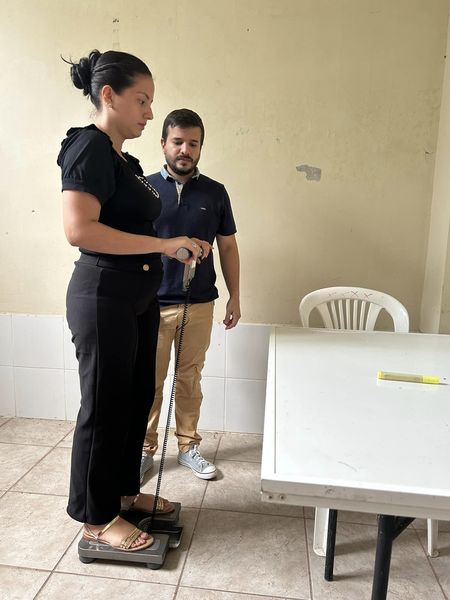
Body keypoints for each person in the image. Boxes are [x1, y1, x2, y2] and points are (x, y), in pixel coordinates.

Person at [57, 50, 202, 552]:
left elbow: (130, 225)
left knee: (137, 395)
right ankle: (96, 517)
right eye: (141, 101)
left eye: (150, 102)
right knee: (104, 405)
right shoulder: (88, 148)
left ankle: (122, 493)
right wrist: (162, 245)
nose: (148, 112)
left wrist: (174, 244)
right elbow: (80, 230)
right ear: (108, 95)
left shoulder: (126, 161)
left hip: (136, 296)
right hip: (104, 296)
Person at [140, 108, 240, 482]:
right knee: (148, 381)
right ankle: (143, 450)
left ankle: (187, 447)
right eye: (178, 142)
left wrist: (235, 296)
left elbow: (228, 246)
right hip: (150, 304)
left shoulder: (215, 192)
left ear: (200, 148)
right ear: (163, 143)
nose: (185, 150)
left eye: (193, 144)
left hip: (199, 304)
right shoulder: (144, 189)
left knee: (190, 379)